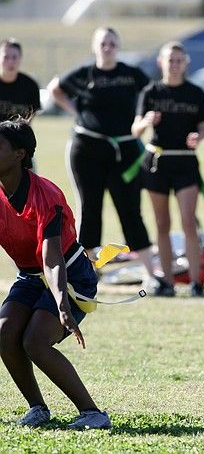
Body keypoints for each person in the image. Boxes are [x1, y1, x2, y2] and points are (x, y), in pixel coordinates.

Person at [0, 119, 111, 429]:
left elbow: (52, 257)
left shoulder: (45, 195)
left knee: (35, 341)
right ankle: (37, 408)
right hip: (30, 276)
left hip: (71, 275)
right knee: (5, 333)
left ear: (20, 154)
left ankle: (93, 413)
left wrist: (62, 303)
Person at [47, 27, 158, 292]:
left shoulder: (131, 74)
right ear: (95, 47)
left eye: (112, 43)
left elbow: (153, 94)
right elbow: (55, 89)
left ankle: (151, 274)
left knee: (130, 210)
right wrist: (77, 112)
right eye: (103, 43)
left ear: (118, 47)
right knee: (90, 208)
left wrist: (142, 121)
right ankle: (88, 271)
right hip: (87, 150)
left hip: (125, 152)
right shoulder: (85, 74)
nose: (107, 48)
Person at [132, 42, 204, 297]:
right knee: (162, 223)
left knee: (189, 222)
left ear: (185, 63)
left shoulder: (195, 92)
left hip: (185, 161)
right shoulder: (151, 92)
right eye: (170, 60)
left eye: (179, 60)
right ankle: (166, 281)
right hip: (157, 162)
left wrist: (197, 137)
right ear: (161, 62)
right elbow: (135, 129)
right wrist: (146, 121)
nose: (175, 65)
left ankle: (195, 282)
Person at [0, 39, 41, 122]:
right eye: (6, 57)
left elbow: (30, 117)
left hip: (18, 134)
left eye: (14, 57)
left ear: (20, 58)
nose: (10, 61)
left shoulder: (30, 86)